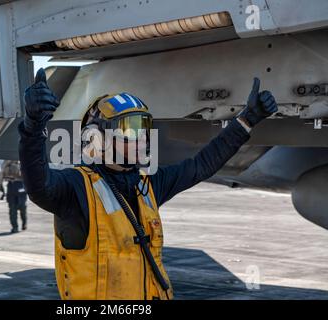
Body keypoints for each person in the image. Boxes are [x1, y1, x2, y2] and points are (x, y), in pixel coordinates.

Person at [18, 69, 277, 300]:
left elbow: (202, 165)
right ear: (97, 140)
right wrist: (33, 125)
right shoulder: (76, 189)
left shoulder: (148, 185)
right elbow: (39, 186)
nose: (142, 138)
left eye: (144, 127)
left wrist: (245, 121)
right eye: (130, 130)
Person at [0, 160, 28, 234]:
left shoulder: (22, 161)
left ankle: (24, 223)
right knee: (12, 209)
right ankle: (15, 227)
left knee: (22, 207)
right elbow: (1, 173)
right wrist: (0, 185)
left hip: (20, 185)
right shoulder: (6, 163)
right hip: (11, 186)